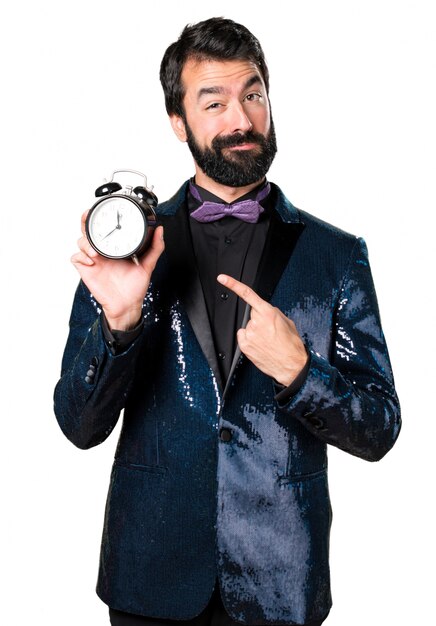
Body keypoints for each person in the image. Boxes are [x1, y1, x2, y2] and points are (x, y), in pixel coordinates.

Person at [54, 17, 401, 626]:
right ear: (178, 122)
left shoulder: (337, 256)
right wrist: (121, 325)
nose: (240, 119)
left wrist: (301, 372)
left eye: (253, 95)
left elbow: (379, 428)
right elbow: (79, 425)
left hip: (280, 580)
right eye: (213, 102)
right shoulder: (122, 246)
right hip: (150, 578)